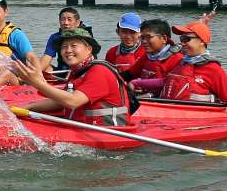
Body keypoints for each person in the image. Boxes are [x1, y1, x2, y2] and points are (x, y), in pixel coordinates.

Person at [131, 19, 227, 120]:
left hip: (194, 117)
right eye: (182, 39)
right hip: (170, 112)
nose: (182, 43)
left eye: (187, 39)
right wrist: (136, 83)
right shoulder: (183, 63)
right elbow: (165, 82)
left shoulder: (213, 69)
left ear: (201, 41)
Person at [11, 28, 140, 125]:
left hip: (108, 134)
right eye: (64, 47)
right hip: (81, 126)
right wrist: (27, 107)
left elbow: (72, 101)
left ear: (89, 49)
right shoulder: (77, 71)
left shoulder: (99, 71)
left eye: (74, 46)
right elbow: (61, 101)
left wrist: (37, 83)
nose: (68, 50)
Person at [133, 18, 185, 85]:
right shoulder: (147, 56)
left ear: (164, 39)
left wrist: (142, 84)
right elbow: (130, 74)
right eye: (142, 37)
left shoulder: (178, 59)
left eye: (148, 37)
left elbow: (173, 84)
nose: (144, 41)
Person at [41, 6, 84, 73]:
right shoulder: (54, 37)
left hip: (82, 70)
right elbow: (47, 58)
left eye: (69, 19)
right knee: (37, 63)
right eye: (63, 19)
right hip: (63, 71)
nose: (65, 23)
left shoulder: (85, 36)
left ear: (78, 23)